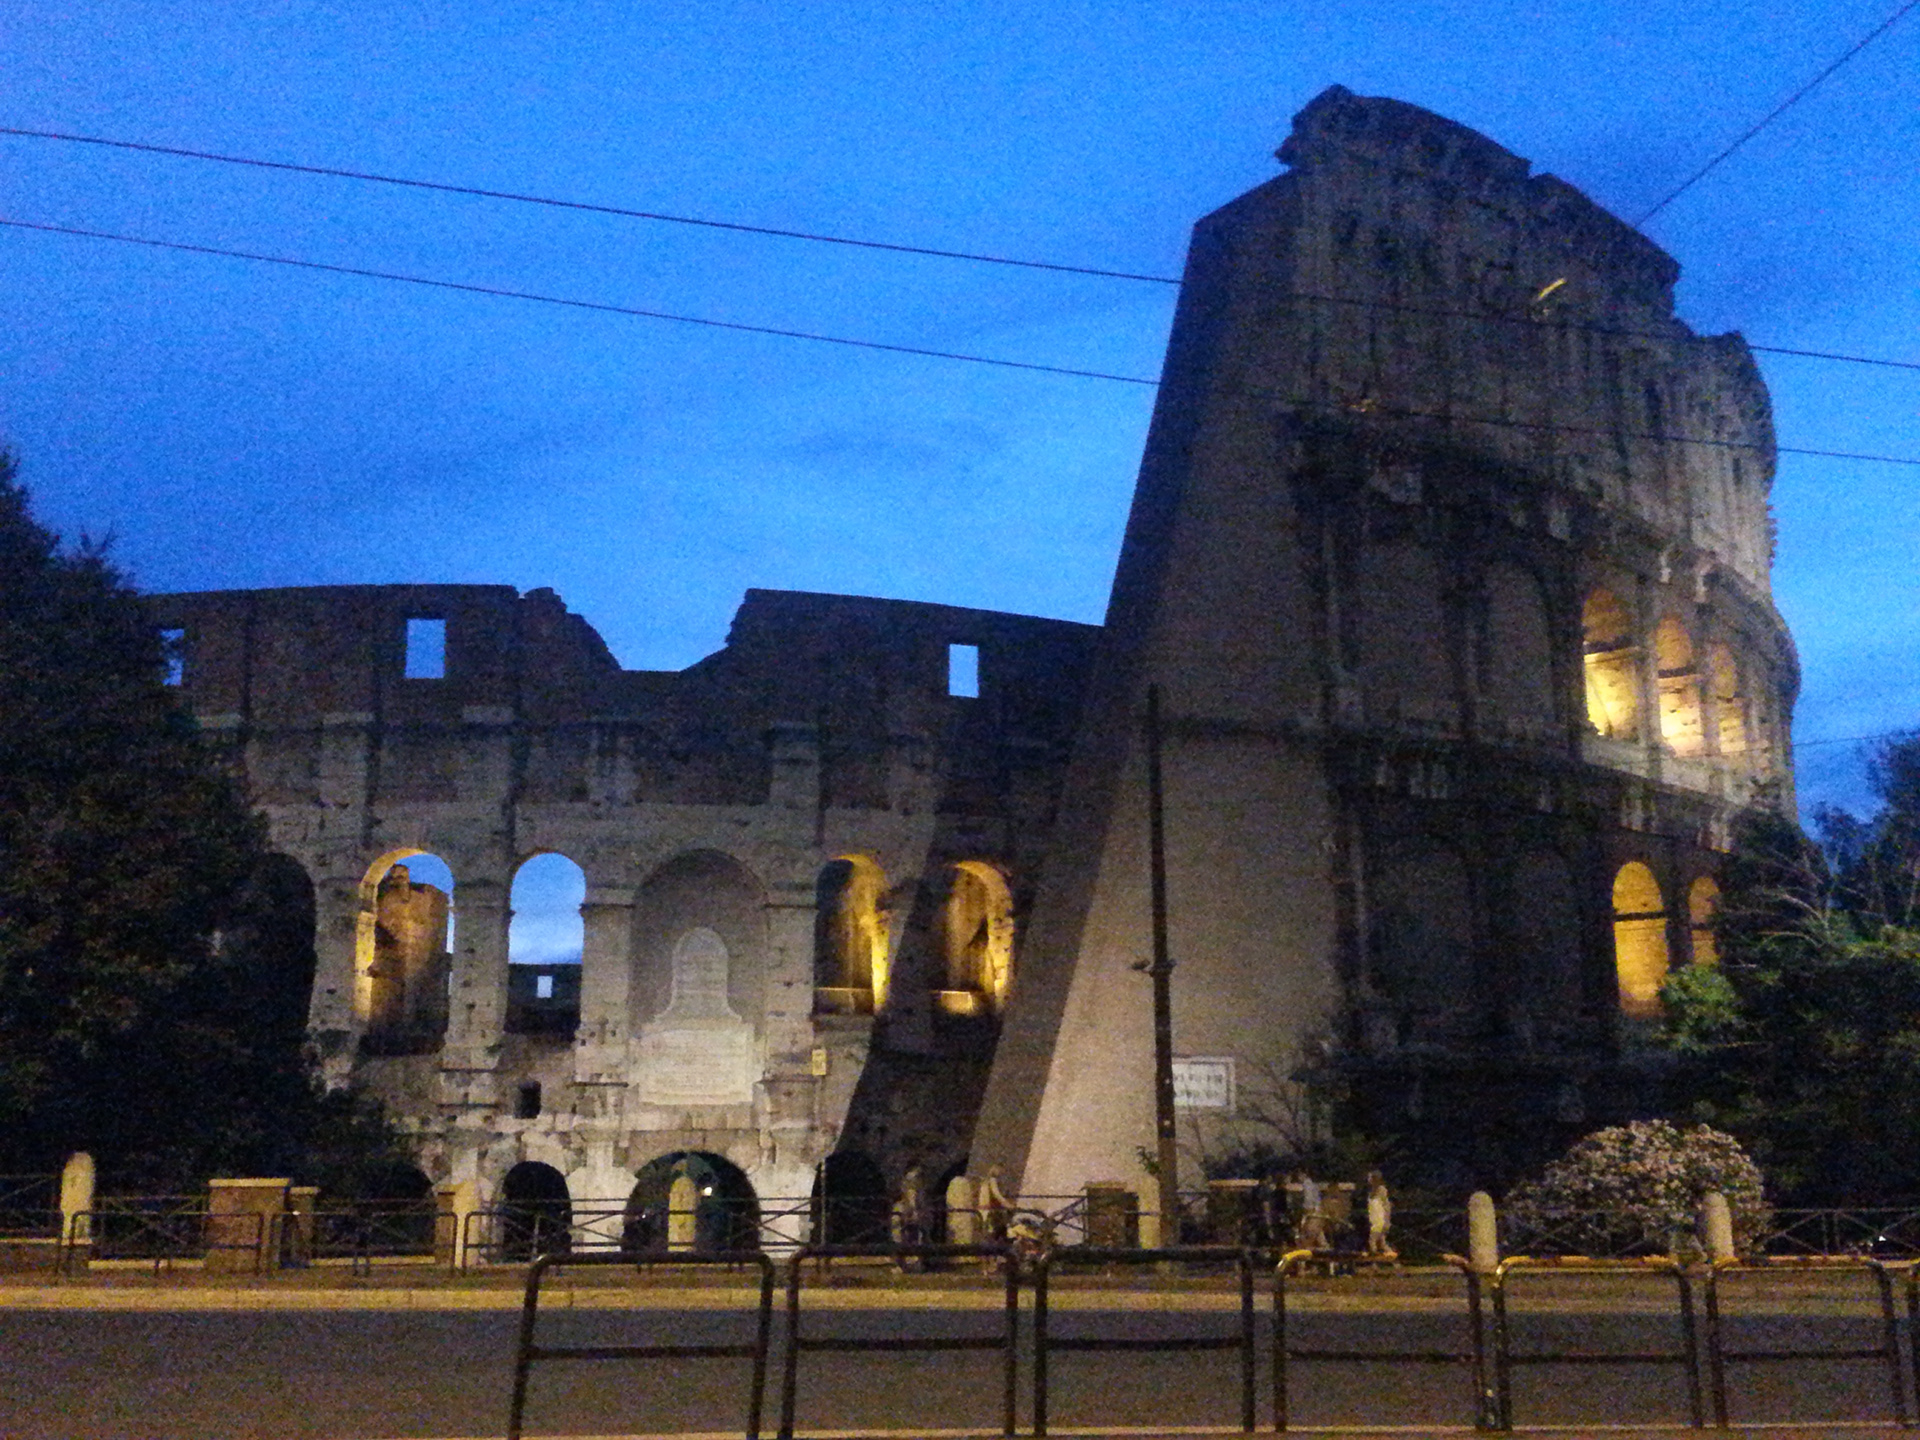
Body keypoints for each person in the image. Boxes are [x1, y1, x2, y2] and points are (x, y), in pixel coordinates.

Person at [1293, 1169, 1328, 1252]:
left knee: (1309, 1233)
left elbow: (1308, 1202)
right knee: (1317, 1233)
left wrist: (1305, 1215)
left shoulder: (1307, 1185)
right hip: (1316, 1212)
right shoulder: (1313, 1185)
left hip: (1311, 1213)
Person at [1365, 1170, 1395, 1258]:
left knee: (1372, 1241)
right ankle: (1394, 1261)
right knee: (1382, 1243)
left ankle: (1374, 1261)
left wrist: (1386, 1220)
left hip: (1380, 1221)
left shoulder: (1381, 1190)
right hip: (1374, 1220)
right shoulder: (1371, 1192)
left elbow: (1386, 1206)